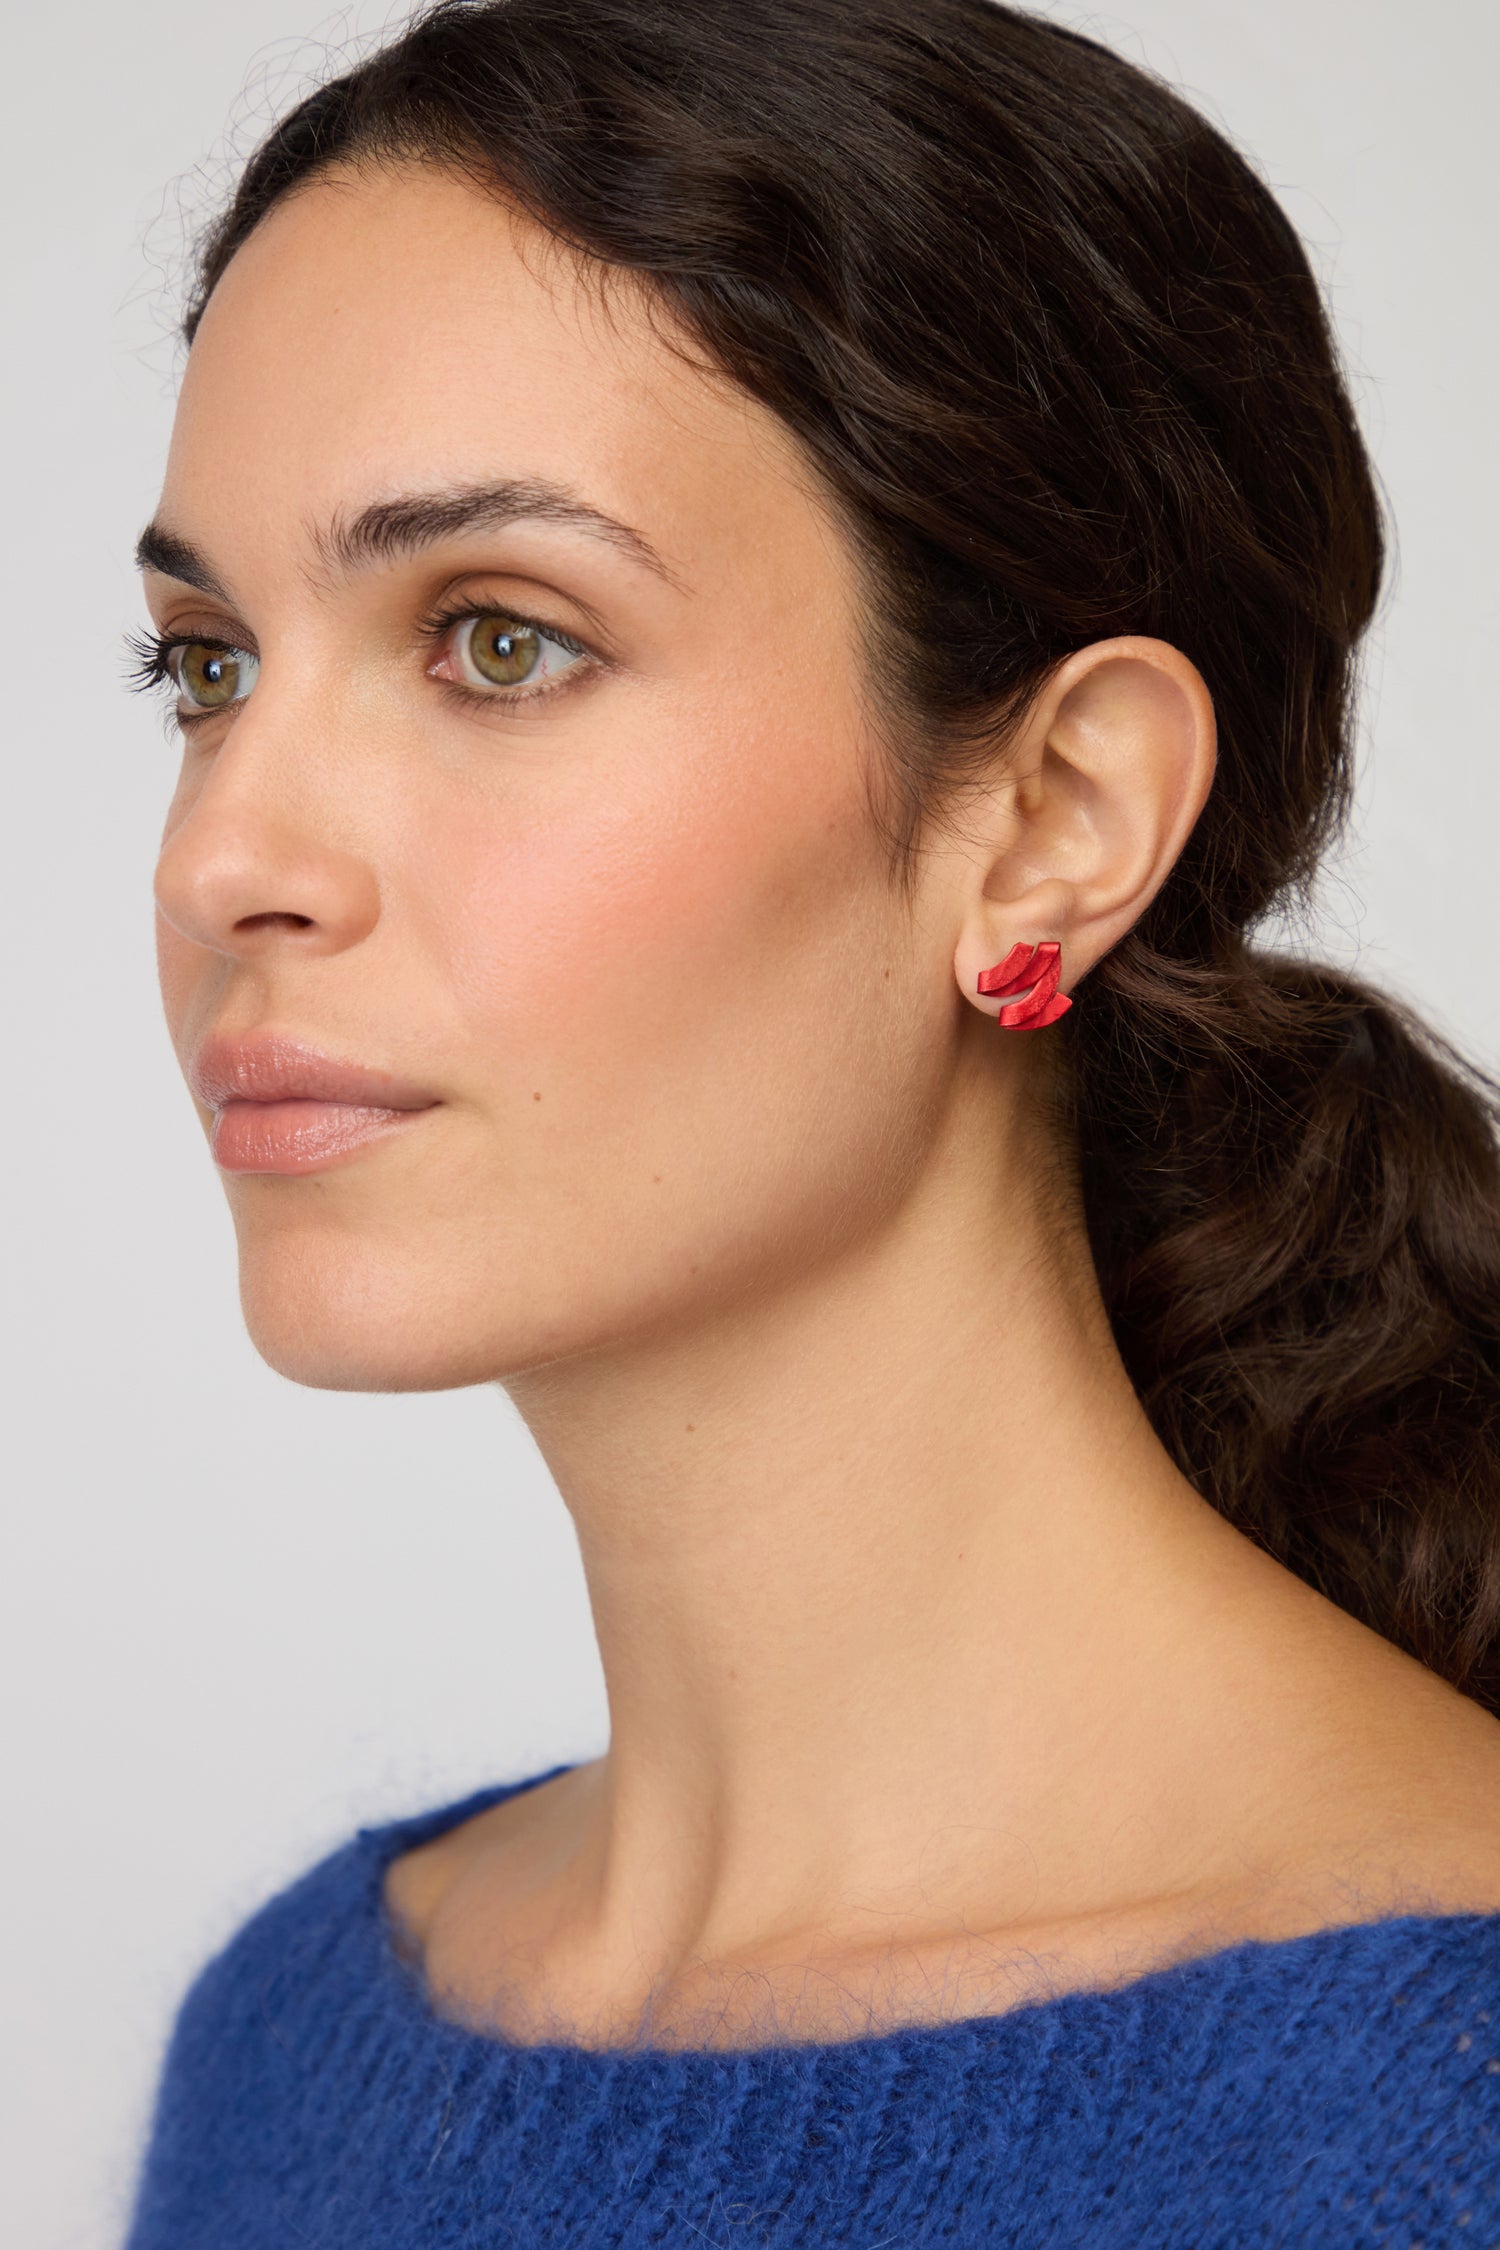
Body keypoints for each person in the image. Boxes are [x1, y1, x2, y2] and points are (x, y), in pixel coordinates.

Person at [122, 0, 1500, 2240]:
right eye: (207, 663)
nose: (221, 860)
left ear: (1054, 819)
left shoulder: (1435, 2123)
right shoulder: (289, 2049)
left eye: (499, 640)